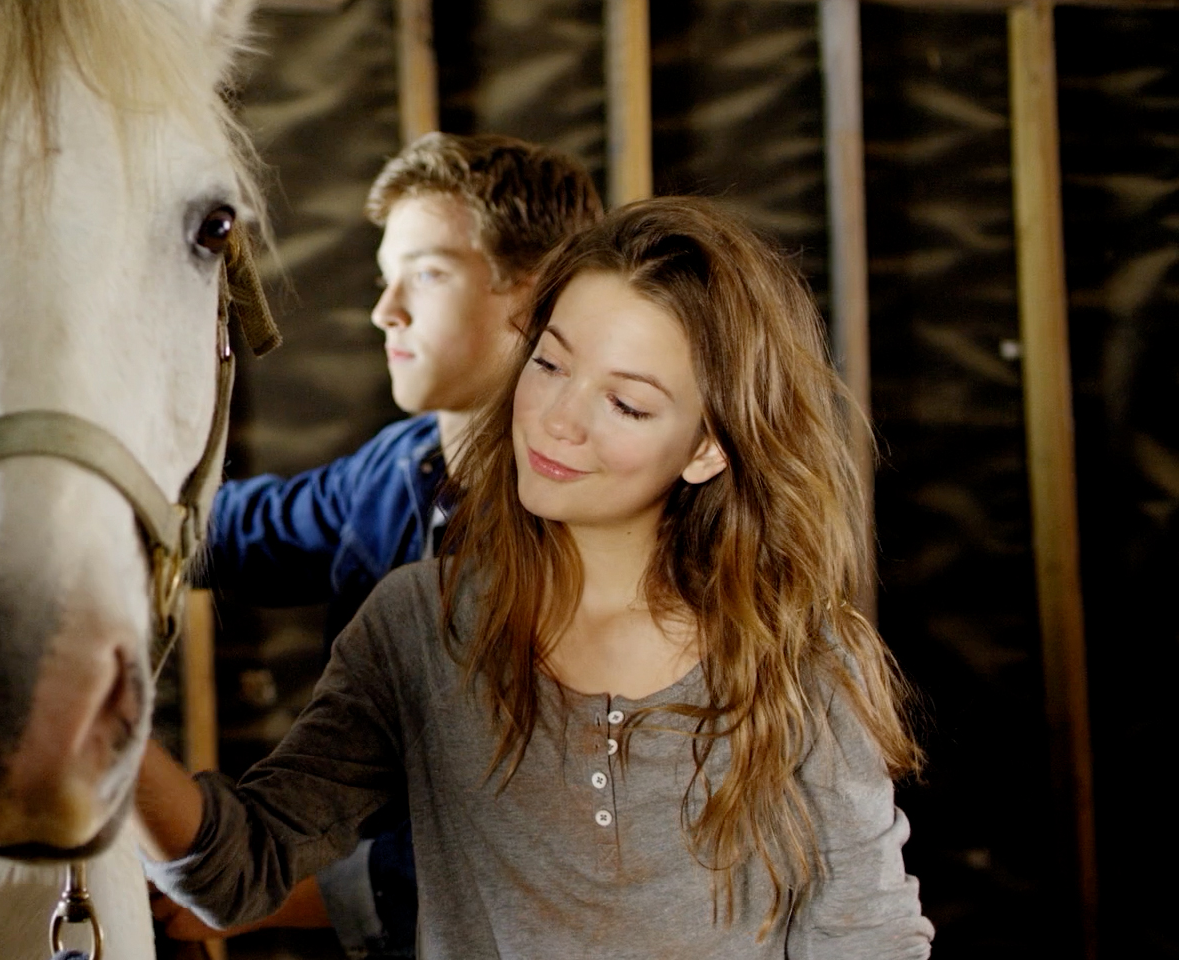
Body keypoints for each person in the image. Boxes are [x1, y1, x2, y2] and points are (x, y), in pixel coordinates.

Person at [142, 197, 934, 958]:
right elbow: (236, 873)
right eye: (549, 363)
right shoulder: (421, 624)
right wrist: (104, 733)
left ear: (706, 449)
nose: (558, 418)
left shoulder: (802, 657)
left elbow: (868, 939)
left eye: (625, 404)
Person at [175, 133, 602, 957]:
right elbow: (227, 532)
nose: (385, 310)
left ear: (539, 294)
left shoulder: (596, 525)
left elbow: (553, 834)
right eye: (384, 278)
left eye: (429, 273)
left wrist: (273, 897)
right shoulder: (398, 468)